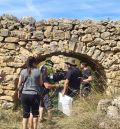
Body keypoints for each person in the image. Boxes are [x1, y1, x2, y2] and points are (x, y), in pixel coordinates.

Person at [17, 56, 42, 129]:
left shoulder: (23, 71)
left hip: (24, 95)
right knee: (35, 114)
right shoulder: (38, 71)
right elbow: (41, 83)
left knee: (25, 115)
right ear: (34, 63)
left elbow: (19, 84)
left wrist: (19, 93)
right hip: (35, 95)